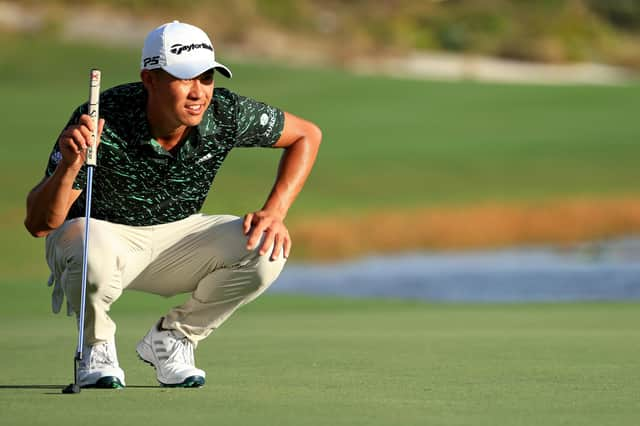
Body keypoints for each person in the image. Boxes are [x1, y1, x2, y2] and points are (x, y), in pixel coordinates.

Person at [24, 21, 322, 389]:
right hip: (101, 240)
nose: (199, 92)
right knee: (87, 239)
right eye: (184, 78)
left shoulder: (224, 113)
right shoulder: (103, 117)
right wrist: (69, 167)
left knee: (266, 247)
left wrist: (275, 212)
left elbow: (307, 135)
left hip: (179, 237)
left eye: (207, 78)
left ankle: (173, 338)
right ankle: (95, 346)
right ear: (149, 78)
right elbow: (39, 224)